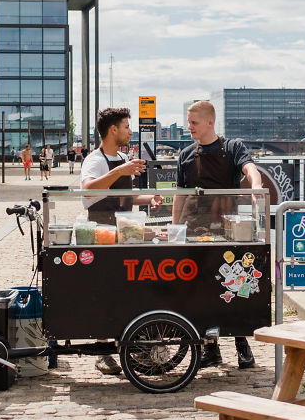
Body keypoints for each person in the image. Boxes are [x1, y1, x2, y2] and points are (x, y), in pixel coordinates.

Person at [173, 100, 263, 370]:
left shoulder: (233, 147)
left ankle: (242, 345)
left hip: (227, 230)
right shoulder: (186, 154)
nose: (189, 127)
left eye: (194, 122)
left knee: (235, 286)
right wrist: (175, 229)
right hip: (195, 230)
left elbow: (250, 168)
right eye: (188, 122)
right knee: (200, 289)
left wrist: (256, 186)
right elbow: (180, 195)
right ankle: (210, 349)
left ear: (210, 122)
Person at [80, 107, 162, 375]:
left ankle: (130, 344)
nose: (130, 131)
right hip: (103, 234)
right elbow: (88, 190)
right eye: (126, 126)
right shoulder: (95, 160)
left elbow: (123, 196)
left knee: (128, 290)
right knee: (105, 292)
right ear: (113, 129)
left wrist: (147, 198)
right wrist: (122, 169)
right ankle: (103, 352)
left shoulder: (123, 157)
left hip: (126, 233)